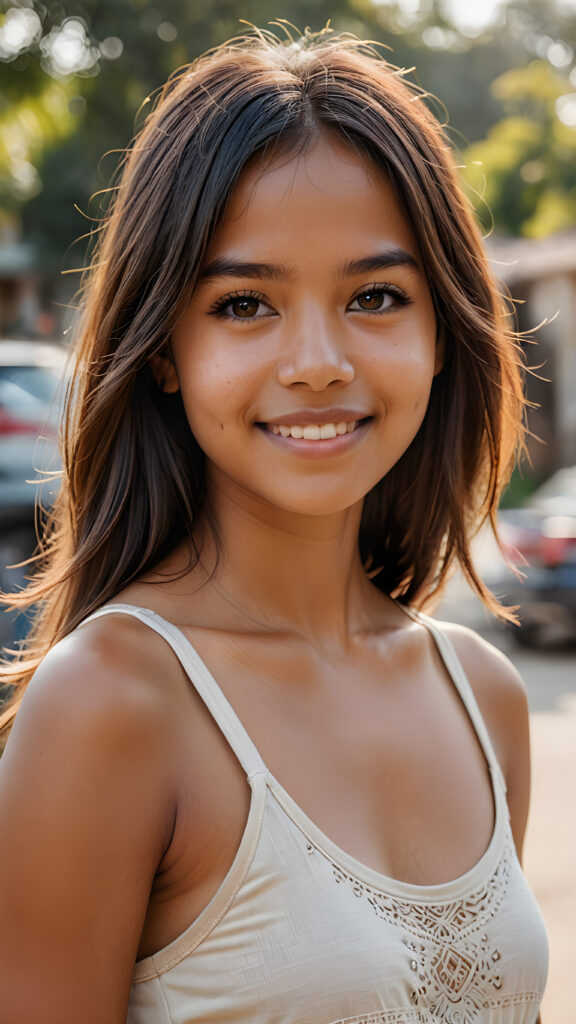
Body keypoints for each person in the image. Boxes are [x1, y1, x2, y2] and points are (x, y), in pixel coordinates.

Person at [0, 27, 548, 1024]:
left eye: (375, 296)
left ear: (440, 333)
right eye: (246, 304)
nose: (317, 361)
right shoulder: (114, 703)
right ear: (164, 346)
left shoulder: (484, 696)